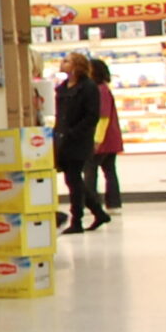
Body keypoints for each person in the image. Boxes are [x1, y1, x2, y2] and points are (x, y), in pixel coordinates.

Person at [51, 51, 109, 233]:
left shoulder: (88, 87)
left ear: (77, 65)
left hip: (79, 140)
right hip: (63, 139)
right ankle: (98, 213)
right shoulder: (63, 87)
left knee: (74, 179)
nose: (62, 63)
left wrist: (74, 132)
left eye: (67, 61)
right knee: (73, 180)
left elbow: (92, 116)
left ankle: (77, 221)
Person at [91, 56, 124, 210]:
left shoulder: (100, 90)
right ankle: (114, 204)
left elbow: (103, 117)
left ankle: (93, 204)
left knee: (91, 172)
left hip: (102, 139)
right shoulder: (104, 88)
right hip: (111, 138)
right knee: (110, 172)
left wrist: (97, 140)